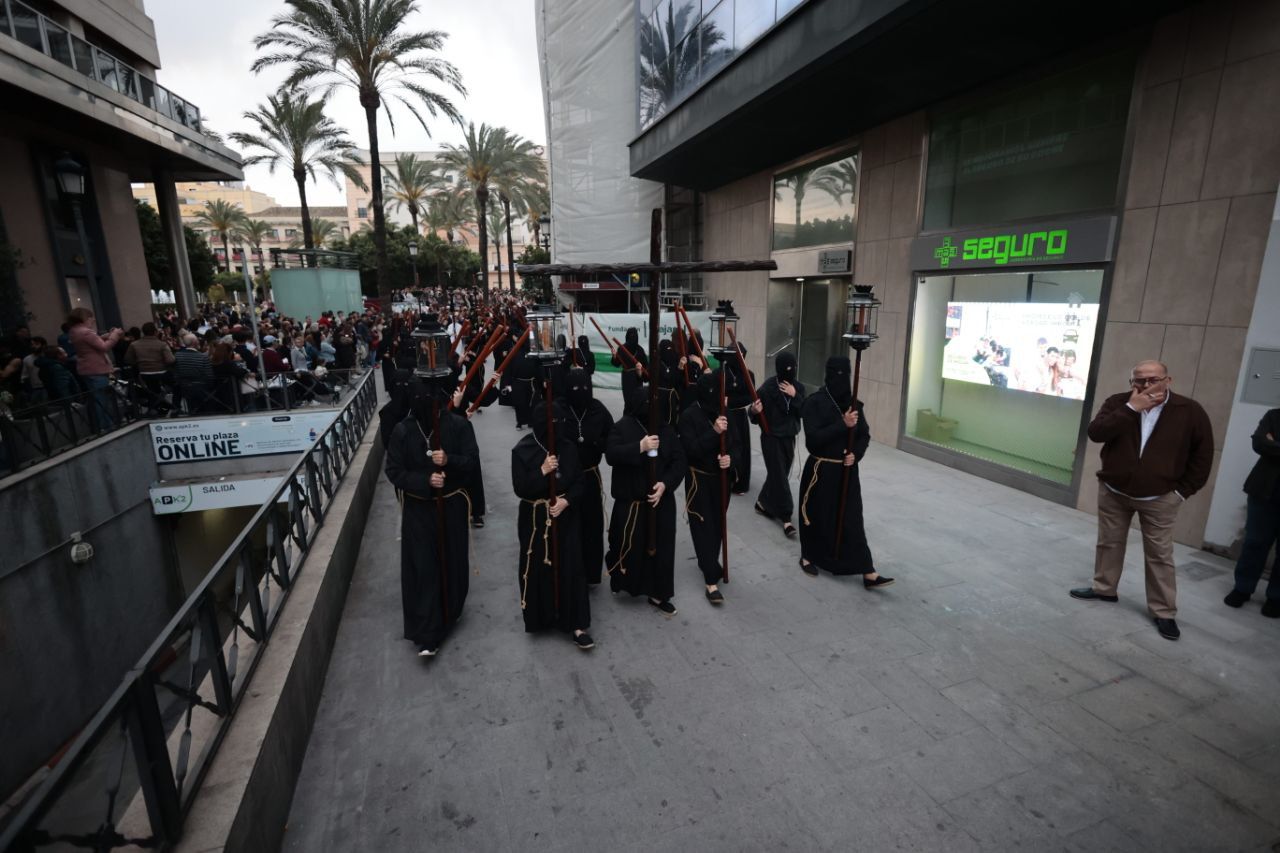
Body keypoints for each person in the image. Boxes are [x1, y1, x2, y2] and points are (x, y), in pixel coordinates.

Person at [1070, 360, 1213, 641]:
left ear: (1168, 380)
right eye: (1139, 381)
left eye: (1153, 380)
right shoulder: (1119, 403)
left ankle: (1164, 611)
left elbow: (1203, 456)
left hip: (1159, 497)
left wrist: (1181, 492)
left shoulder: (1189, 411)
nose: (1145, 386)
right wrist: (1131, 409)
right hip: (1114, 490)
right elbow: (1096, 433)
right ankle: (1104, 589)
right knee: (1109, 541)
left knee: (1159, 554)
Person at [384, 377, 478, 657]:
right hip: (418, 509)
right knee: (424, 566)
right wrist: (425, 481)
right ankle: (428, 631)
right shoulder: (402, 431)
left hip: (450, 506)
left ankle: (452, 609)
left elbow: (472, 462)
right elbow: (394, 471)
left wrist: (449, 460)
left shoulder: (458, 426)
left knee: (452, 560)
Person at [798, 357, 893, 587]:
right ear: (828, 375)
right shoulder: (815, 402)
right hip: (821, 470)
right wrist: (843, 424)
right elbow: (813, 440)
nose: (842, 380)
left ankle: (867, 570)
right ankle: (808, 556)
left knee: (852, 518)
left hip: (847, 472)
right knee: (817, 515)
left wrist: (856, 454)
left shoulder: (853, 404)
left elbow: (864, 435)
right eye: (837, 375)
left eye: (845, 375)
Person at [511, 399, 594, 650]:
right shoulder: (522, 450)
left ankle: (577, 624)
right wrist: (542, 471)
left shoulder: (568, 447)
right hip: (535, 519)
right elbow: (520, 488)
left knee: (571, 566)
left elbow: (580, 482)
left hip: (565, 517)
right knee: (537, 567)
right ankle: (542, 616)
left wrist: (566, 501)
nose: (556, 429)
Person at [606, 384, 686, 615]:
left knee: (662, 549)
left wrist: (665, 485)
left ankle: (659, 593)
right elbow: (611, 454)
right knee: (626, 546)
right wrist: (639, 447)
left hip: (660, 502)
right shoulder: (621, 428)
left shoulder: (667, 430)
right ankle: (621, 581)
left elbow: (679, 461)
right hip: (631, 503)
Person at [679, 371, 740, 605]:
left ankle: (708, 560)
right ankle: (710, 578)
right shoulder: (688, 416)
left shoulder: (725, 415)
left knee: (717, 523)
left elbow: (737, 445)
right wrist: (713, 433)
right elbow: (691, 449)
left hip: (721, 480)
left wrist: (731, 460)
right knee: (703, 525)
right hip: (699, 479)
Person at [1223, 409, 1280, 617]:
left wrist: (1274, 444)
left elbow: (1268, 446)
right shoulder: (1274, 416)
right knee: (1254, 543)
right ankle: (1243, 588)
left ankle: (1275, 597)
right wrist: (1267, 443)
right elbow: (1259, 443)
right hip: (1264, 492)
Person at [562, 367, 614, 585]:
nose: (580, 391)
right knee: (569, 526)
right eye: (575, 388)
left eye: (584, 387)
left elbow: (611, 440)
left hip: (590, 476)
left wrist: (597, 444)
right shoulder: (559, 409)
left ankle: (592, 572)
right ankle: (570, 570)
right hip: (565, 479)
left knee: (591, 525)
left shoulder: (598, 410)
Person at [752, 351, 805, 538]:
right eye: (787, 369)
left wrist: (795, 395)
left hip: (789, 438)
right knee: (781, 477)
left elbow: (804, 412)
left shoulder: (798, 387)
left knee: (778, 474)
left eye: (794, 368)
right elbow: (753, 414)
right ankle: (786, 518)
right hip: (771, 438)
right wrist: (755, 410)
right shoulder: (767, 388)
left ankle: (762, 503)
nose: (791, 372)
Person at [66, 307, 123, 429]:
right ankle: (106, 426)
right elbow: (104, 347)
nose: (93, 321)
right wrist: (115, 336)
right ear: (85, 318)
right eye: (91, 318)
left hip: (86, 369)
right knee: (102, 400)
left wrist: (107, 335)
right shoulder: (86, 332)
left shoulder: (74, 331)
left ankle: (99, 426)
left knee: (96, 398)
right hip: (96, 369)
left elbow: (90, 344)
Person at [722, 342, 754, 495]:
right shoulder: (722, 372)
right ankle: (728, 478)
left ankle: (741, 481)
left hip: (739, 415)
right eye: (738, 356)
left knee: (742, 447)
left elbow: (750, 397)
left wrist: (731, 401)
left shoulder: (748, 374)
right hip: (726, 415)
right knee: (728, 445)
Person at [612, 327, 648, 402]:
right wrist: (614, 356)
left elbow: (645, 366)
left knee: (637, 398)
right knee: (629, 399)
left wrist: (642, 374)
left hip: (636, 377)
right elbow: (617, 363)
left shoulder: (639, 350)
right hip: (628, 377)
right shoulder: (622, 348)